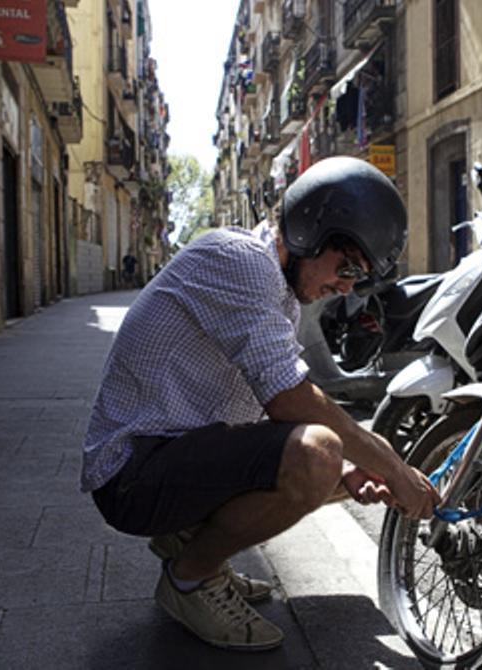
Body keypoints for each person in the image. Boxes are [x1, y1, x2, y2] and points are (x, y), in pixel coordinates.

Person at [81, 156, 441, 651]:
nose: (346, 286)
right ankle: (190, 578)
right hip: (131, 474)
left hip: (170, 454)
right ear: (309, 232)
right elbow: (290, 401)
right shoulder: (240, 260)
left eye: (360, 277)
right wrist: (392, 467)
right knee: (317, 453)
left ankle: (194, 543)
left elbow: (261, 426)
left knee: (330, 469)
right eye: (348, 267)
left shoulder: (279, 293)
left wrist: (352, 474)